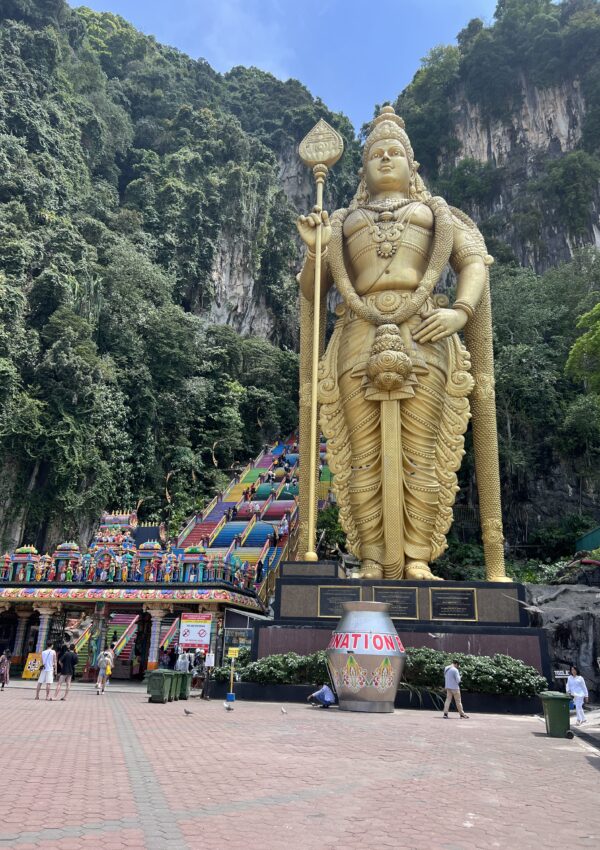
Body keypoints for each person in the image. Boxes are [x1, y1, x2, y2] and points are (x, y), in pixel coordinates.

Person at [296, 105, 509, 582]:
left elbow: (473, 263)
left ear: (413, 167)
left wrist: (461, 310)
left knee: (423, 450)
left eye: (395, 152)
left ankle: (416, 557)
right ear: (363, 169)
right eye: (376, 154)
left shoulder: (437, 214)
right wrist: (314, 250)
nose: (386, 159)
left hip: (424, 330)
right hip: (356, 332)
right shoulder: (340, 222)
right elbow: (313, 289)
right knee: (362, 451)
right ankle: (372, 557)